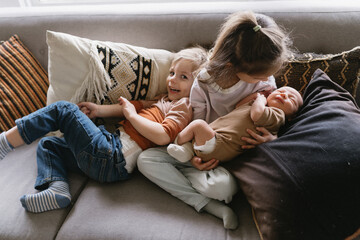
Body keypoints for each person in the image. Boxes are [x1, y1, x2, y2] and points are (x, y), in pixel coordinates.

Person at [0, 46, 207, 214]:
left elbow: (163, 136)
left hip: (111, 157)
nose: (172, 79)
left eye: (183, 77)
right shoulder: (163, 99)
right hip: (107, 158)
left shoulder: (184, 105)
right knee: (49, 145)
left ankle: (5, 143)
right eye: (172, 73)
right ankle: (57, 190)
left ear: (197, 84)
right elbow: (130, 107)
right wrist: (99, 109)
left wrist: (132, 116)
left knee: (64, 109)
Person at [137, 11, 293, 230]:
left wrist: (272, 139)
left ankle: (198, 187)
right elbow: (196, 121)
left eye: (268, 76)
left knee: (222, 190)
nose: (266, 81)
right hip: (201, 145)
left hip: (233, 154)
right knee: (146, 160)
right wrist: (194, 156)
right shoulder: (204, 81)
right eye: (259, 77)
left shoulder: (265, 79)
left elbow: (274, 116)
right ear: (231, 66)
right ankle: (206, 204)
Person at [167, 86, 303, 163]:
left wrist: (260, 101)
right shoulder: (258, 105)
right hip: (215, 141)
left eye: (292, 99)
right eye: (281, 91)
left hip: (220, 142)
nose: (284, 94)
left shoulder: (277, 115)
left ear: (292, 116)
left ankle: (176, 143)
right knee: (198, 130)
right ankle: (186, 152)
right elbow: (239, 106)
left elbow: (256, 115)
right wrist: (257, 95)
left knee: (197, 124)